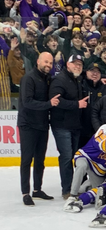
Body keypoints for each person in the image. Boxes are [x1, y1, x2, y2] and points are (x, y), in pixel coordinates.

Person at [18, 52, 58, 206]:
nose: (48, 65)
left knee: (40, 160)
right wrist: (49, 104)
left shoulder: (47, 79)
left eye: (50, 63)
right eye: (46, 62)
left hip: (42, 125)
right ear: (38, 61)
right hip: (28, 124)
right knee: (27, 160)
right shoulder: (29, 78)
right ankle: (25, 192)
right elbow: (27, 102)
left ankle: (37, 189)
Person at [49, 54, 89, 199]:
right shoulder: (59, 80)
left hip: (74, 125)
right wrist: (77, 104)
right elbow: (56, 101)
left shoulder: (76, 79)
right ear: (67, 64)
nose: (78, 66)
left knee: (72, 156)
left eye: (80, 64)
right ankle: (67, 189)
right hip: (62, 125)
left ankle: (72, 186)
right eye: (75, 63)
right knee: (66, 157)